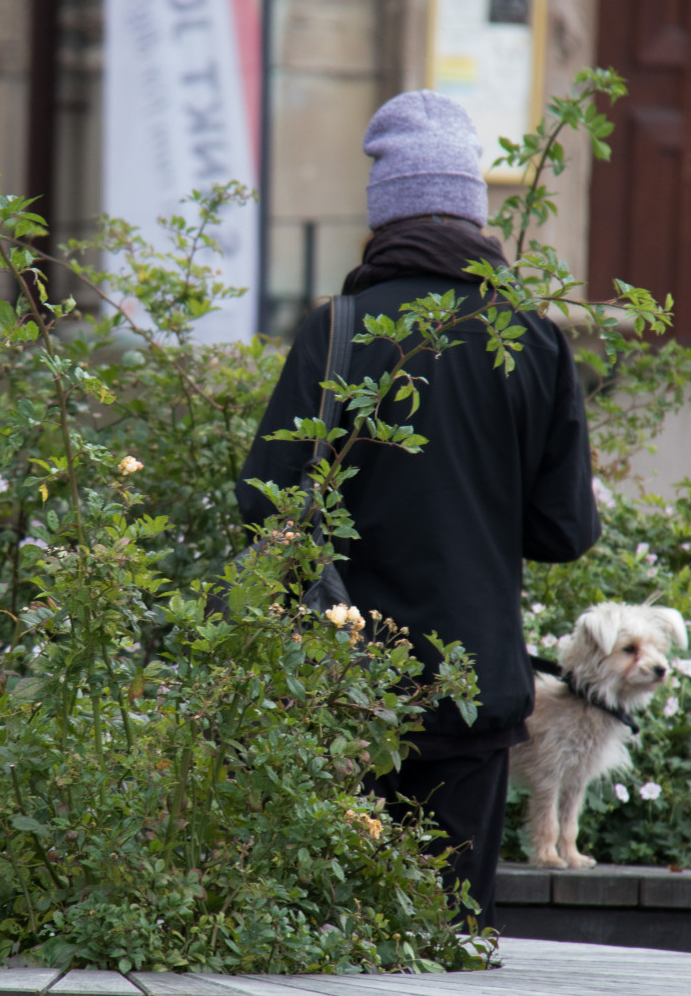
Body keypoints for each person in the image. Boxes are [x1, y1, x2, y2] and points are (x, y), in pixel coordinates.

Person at [236, 91, 602, 928]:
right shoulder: (536, 342)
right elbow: (564, 532)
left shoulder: (336, 331)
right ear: (476, 219)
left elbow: (265, 501)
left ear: (383, 217)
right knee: (449, 940)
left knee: (328, 946)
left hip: (338, 689)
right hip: (473, 694)